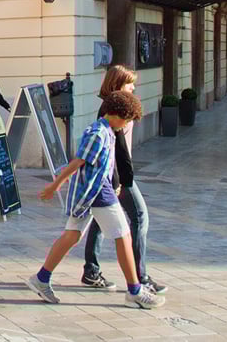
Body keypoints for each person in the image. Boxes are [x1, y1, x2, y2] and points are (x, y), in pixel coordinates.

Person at [28, 91, 164, 310]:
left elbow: (104, 165)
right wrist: (54, 186)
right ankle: (135, 291)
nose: (126, 124)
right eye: (127, 120)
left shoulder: (107, 131)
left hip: (91, 193)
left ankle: (41, 278)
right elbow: (77, 162)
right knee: (124, 236)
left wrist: (115, 184)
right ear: (118, 115)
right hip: (97, 194)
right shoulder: (98, 133)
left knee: (72, 235)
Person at [80, 65, 166, 295]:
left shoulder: (119, 105)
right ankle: (140, 277)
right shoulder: (111, 109)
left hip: (114, 175)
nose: (134, 87)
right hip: (116, 176)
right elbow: (112, 150)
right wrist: (120, 181)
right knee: (139, 217)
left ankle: (91, 271)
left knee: (99, 221)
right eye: (130, 83)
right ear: (117, 84)